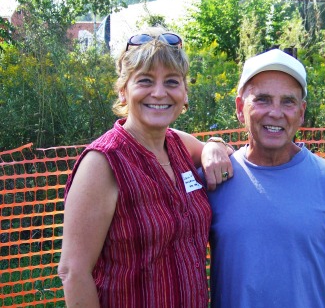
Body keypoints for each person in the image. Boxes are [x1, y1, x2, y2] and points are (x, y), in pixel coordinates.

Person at [58, 28, 233, 308]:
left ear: (185, 93)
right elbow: (73, 272)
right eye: (145, 80)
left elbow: (220, 152)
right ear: (123, 91)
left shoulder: (179, 145)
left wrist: (215, 144)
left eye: (172, 81)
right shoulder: (103, 162)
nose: (159, 92)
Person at [207, 49, 325, 307]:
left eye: (288, 101)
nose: (276, 112)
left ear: (301, 112)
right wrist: (210, 145)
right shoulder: (216, 179)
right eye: (262, 99)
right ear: (240, 108)